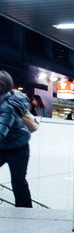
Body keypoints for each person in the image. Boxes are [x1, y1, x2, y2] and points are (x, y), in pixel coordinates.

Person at [0, 70, 32, 207]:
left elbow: (1, 132)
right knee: (19, 182)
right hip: (5, 146)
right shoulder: (7, 97)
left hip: (18, 148)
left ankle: (25, 212)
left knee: (18, 182)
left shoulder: (8, 107)